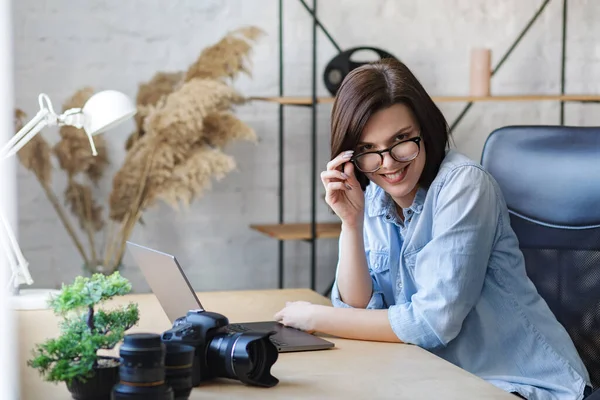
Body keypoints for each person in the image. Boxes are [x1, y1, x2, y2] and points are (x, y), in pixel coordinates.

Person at [273, 58, 591, 399]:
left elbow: (431, 323)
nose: (389, 164)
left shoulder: (464, 185)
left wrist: (313, 317)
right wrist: (350, 223)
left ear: (425, 130)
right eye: (368, 151)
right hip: (441, 381)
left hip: (522, 385)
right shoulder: (376, 194)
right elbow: (355, 309)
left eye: (402, 140)